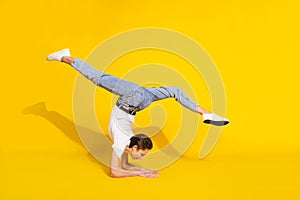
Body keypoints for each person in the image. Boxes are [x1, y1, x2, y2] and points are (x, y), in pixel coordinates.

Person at [46, 48, 229, 178]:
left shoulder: (124, 143)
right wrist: (142, 173)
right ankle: (66, 57)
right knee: (99, 78)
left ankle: (205, 113)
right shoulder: (124, 141)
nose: (141, 157)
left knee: (174, 90)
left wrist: (143, 172)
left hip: (138, 99)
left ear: (132, 147)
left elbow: (120, 169)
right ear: (134, 147)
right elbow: (117, 171)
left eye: (142, 155)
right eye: (142, 154)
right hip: (134, 99)